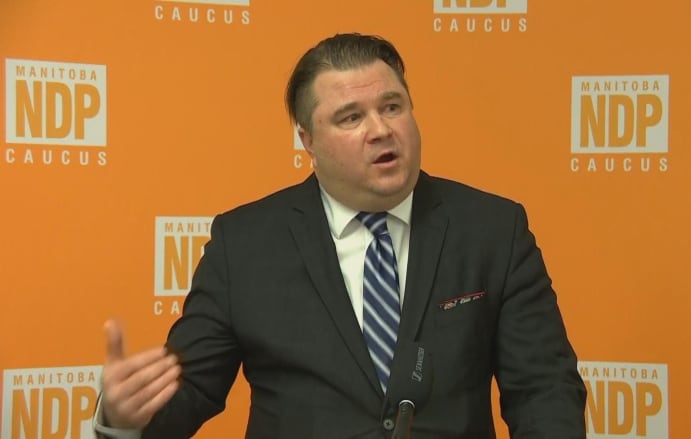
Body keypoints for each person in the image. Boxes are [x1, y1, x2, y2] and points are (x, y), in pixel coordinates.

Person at [93, 32, 586, 438]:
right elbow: (191, 390)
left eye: (393, 107)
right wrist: (122, 418)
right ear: (307, 139)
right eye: (351, 117)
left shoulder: (493, 230)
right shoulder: (243, 245)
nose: (380, 129)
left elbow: (544, 390)